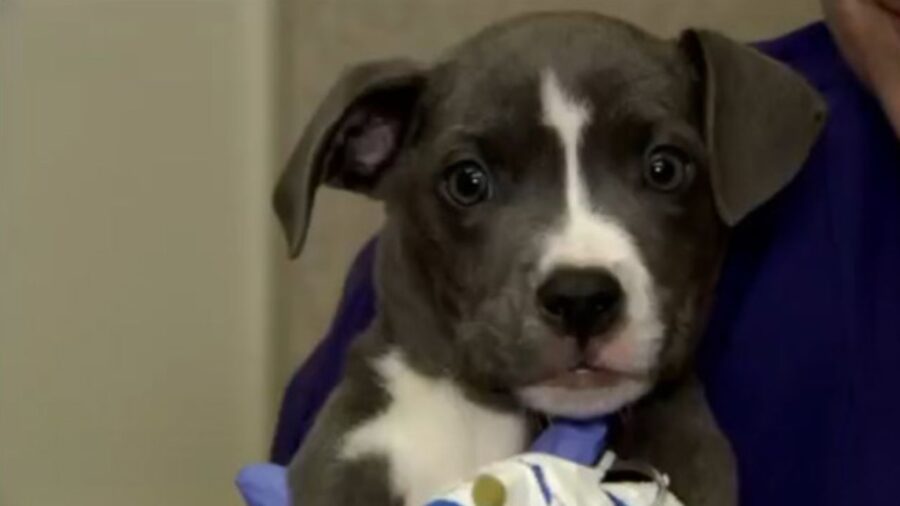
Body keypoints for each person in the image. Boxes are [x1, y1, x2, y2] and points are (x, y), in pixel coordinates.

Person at [257, 2, 900, 505]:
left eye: (662, 170)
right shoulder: (414, 277)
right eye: (470, 185)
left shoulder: (744, 114)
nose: (578, 261)